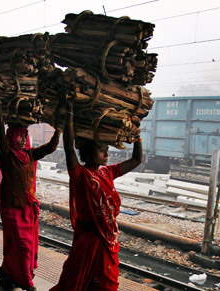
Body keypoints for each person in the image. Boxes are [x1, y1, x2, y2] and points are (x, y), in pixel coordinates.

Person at [51, 102, 142, 291]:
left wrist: (137, 134)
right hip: (87, 240)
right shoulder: (80, 174)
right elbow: (69, 149)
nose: (107, 154)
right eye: (102, 150)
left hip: (107, 240)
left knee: (107, 283)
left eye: (107, 150)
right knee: (75, 281)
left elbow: (136, 160)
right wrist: (69, 116)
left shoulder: (108, 172)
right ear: (89, 153)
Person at [0, 95, 61, 291]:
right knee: (23, 246)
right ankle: (27, 284)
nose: (24, 139)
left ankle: (9, 272)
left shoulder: (29, 154)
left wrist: (59, 130)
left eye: (26, 136)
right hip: (12, 209)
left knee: (21, 246)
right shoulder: (7, 154)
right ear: (13, 136)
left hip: (27, 209)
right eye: (21, 136)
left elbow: (50, 148)